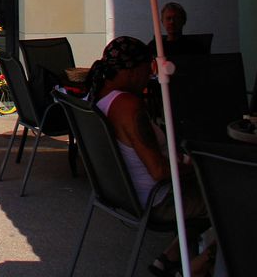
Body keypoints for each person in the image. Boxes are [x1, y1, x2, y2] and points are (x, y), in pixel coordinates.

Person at [88, 36, 210, 277]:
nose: (149, 76)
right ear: (134, 70)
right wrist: (200, 166)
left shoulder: (97, 98)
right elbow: (160, 171)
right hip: (157, 201)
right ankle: (199, 266)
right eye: (148, 69)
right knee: (228, 201)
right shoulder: (129, 106)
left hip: (123, 195)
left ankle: (169, 258)